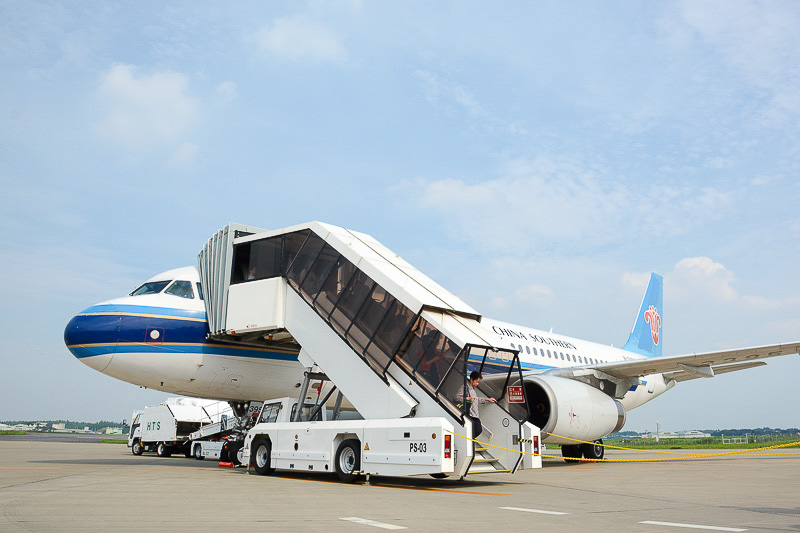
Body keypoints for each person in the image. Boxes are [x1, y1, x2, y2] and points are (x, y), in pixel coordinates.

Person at [454, 371, 496, 440]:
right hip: (469, 414)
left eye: (478, 382)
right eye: (476, 382)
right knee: (478, 430)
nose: (477, 384)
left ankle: (469, 440)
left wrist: (487, 399)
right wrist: (467, 398)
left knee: (478, 430)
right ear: (471, 379)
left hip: (474, 414)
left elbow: (476, 399)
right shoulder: (465, 387)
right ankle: (468, 440)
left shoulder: (472, 389)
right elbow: (456, 397)